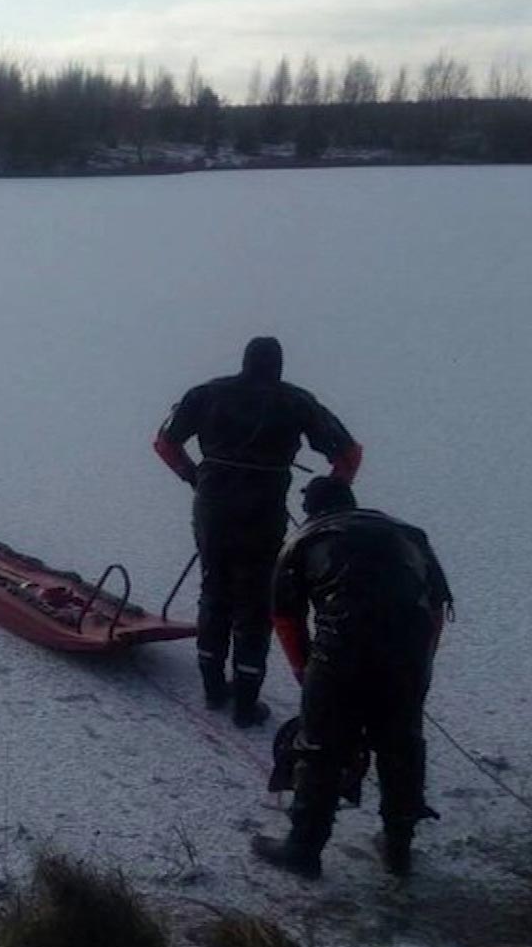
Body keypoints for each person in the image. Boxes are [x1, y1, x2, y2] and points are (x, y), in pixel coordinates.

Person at [152, 337, 363, 727]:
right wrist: (329, 501)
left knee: (214, 589)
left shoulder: (206, 394)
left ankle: (213, 689)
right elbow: (349, 455)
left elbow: (164, 443)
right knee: (256, 599)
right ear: (279, 366)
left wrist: (194, 477)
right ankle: (246, 704)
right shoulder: (297, 402)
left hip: (213, 506)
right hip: (263, 512)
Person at [251, 477, 453, 879]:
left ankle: (303, 849)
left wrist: (303, 670)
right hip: (406, 654)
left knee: (319, 748)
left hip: (339, 653)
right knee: (401, 745)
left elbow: (285, 616)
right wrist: (419, 665)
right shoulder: (409, 534)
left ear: (312, 509)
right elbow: (436, 607)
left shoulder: (302, 540)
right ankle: (399, 849)